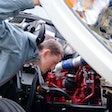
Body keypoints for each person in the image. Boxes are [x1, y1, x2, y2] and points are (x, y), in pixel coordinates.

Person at [0, 0, 64, 86]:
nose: (53, 68)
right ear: (46, 53)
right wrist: (34, 1)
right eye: (54, 62)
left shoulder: (24, 52)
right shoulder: (17, 44)